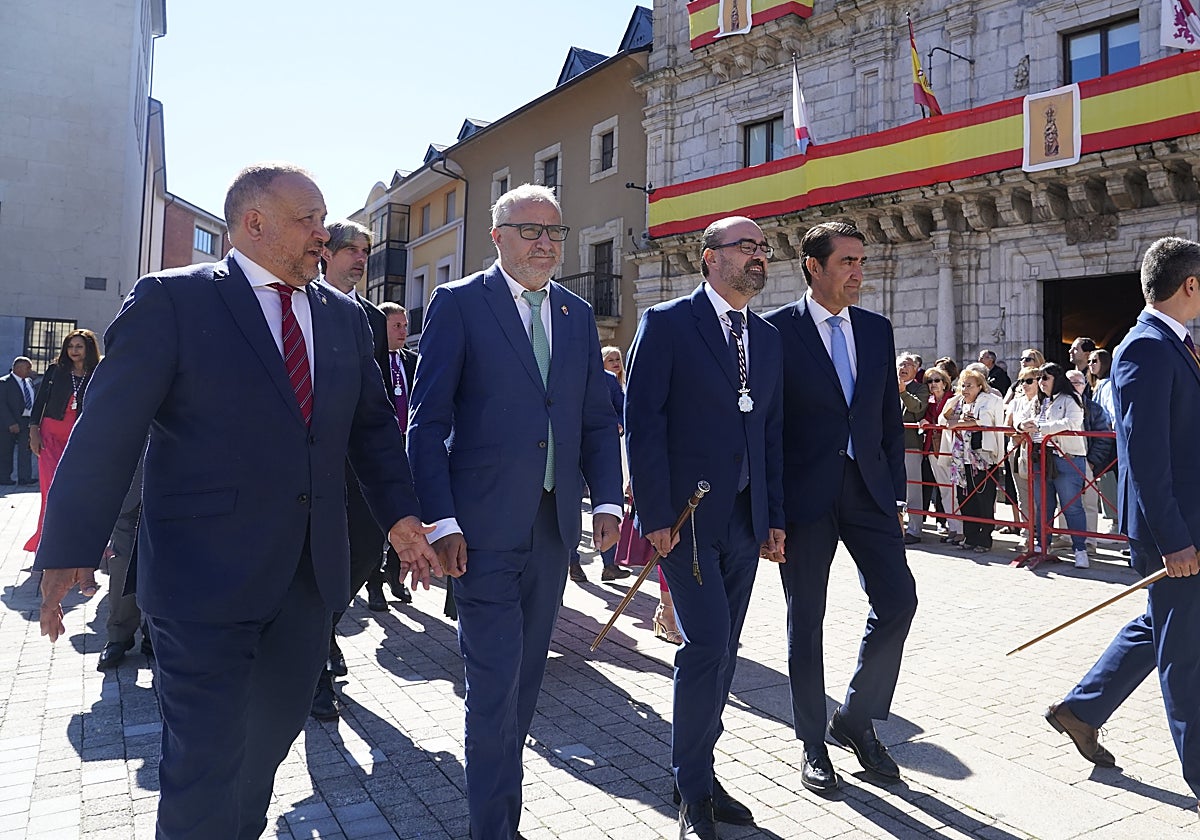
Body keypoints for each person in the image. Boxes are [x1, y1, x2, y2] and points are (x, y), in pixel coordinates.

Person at [32, 162, 438, 840]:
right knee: (205, 765)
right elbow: (108, 430)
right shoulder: (172, 300)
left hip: (309, 582)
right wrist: (69, 548)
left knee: (260, 761)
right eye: (308, 218)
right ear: (254, 222)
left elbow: (371, 432)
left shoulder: (343, 318)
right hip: (201, 583)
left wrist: (401, 519)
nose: (323, 232)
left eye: (323, 219)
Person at [407, 183, 622, 840]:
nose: (545, 244)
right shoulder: (459, 304)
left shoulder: (576, 314)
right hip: (480, 534)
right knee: (494, 682)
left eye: (555, 233)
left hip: (553, 531)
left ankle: (503, 817)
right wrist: (440, 522)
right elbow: (427, 421)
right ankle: (491, 829)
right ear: (497, 237)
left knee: (526, 683)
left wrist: (607, 498)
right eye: (531, 231)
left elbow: (592, 419)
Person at [625, 215, 784, 839]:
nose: (758, 257)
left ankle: (700, 770)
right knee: (706, 646)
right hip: (686, 520)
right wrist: (655, 516)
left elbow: (768, 432)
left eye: (763, 249)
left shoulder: (766, 338)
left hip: (746, 520)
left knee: (727, 651)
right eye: (745, 247)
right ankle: (691, 789)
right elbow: (643, 421)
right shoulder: (666, 323)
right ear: (708, 258)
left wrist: (772, 519)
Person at [1045, 236, 1200, 816]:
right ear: (1189, 285)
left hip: (1186, 525)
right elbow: (1146, 455)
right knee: (1187, 656)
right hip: (1174, 533)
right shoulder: (1147, 348)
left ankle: (1081, 710)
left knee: (1159, 627)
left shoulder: (1175, 344)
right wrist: (1174, 540)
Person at [763, 221, 918, 796]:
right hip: (804, 501)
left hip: (869, 493)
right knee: (806, 620)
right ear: (814, 265)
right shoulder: (774, 331)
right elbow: (768, 427)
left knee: (899, 600)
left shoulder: (877, 329)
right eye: (847, 261)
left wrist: (895, 495)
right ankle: (810, 744)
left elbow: (885, 419)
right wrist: (771, 512)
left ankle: (854, 718)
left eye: (861, 260)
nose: (858, 272)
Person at [307, 220, 400, 722]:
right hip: (309, 468)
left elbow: (377, 402)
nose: (361, 259)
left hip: (356, 466)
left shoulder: (367, 317)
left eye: (367, 250)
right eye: (350, 250)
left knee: (363, 553)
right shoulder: (299, 302)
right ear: (325, 253)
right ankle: (316, 665)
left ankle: (324, 632)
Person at [25, 329, 102, 557]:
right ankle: (46, 542)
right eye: (70, 346)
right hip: (50, 437)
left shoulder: (97, 373)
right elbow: (40, 403)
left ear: (88, 348)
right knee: (51, 490)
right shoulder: (55, 371)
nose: (74, 351)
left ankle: (73, 541)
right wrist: (33, 432)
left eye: (79, 346)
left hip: (81, 439)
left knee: (77, 492)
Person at [1017, 362, 1089, 567]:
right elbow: (1021, 418)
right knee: (1043, 505)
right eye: (1039, 378)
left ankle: (1080, 549)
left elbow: (1073, 423)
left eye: (1045, 378)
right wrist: (1022, 425)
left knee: (1071, 505)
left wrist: (1042, 427)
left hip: (1067, 459)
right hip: (1040, 458)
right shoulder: (1037, 401)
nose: (1041, 383)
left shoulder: (1071, 399)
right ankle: (1042, 544)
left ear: (1057, 379)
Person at [940, 368, 1005, 553]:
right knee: (965, 498)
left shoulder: (990, 400)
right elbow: (944, 417)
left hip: (982, 458)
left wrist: (959, 423)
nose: (965, 388)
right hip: (962, 459)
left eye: (969, 385)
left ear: (980, 386)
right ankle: (970, 536)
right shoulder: (959, 401)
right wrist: (958, 412)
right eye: (963, 385)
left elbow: (982, 421)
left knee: (983, 499)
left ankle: (984, 540)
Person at [920, 368, 960, 544]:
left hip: (950, 448)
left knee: (954, 489)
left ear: (945, 382)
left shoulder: (953, 399)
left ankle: (960, 529)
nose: (933, 384)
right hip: (932, 448)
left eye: (936, 380)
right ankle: (953, 527)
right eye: (929, 381)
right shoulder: (929, 402)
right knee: (944, 490)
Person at [1005, 366, 1044, 542]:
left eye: (1029, 380)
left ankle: (1042, 533)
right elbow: (1007, 426)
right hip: (1016, 450)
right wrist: (1020, 433)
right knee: (1022, 493)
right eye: (1022, 381)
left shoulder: (1043, 401)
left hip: (1037, 452)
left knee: (1040, 494)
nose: (1025, 384)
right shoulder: (1016, 401)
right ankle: (1026, 533)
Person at [1087, 348, 1120, 534]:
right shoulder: (1098, 384)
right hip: (1102, 436)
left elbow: (1111, 412)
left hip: (1108, 439)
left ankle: (1116, 523)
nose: (1091, 364)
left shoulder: (1107, 385)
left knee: (1109, 479)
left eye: (1094, 361)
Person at [897, 352, 928, 544]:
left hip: (910, 445)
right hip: (889, 446)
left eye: (907, 364)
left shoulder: (920, 388)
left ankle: (915, 529)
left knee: (913, 488)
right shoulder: (886, 386)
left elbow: (917, 408)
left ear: (915, 369)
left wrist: (902, 392)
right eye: (900, 364)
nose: (903, 368)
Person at [1, 357, 38, 486]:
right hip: (10, 422)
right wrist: (10, 422)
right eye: (27, 368)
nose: (30, 371)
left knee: (26, 449)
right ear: (18, 368)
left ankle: (25, 477)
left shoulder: (29, 382)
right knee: (6, 450)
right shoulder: (5, 382)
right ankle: (4, 477)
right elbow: (2, 405)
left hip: (26, 420)